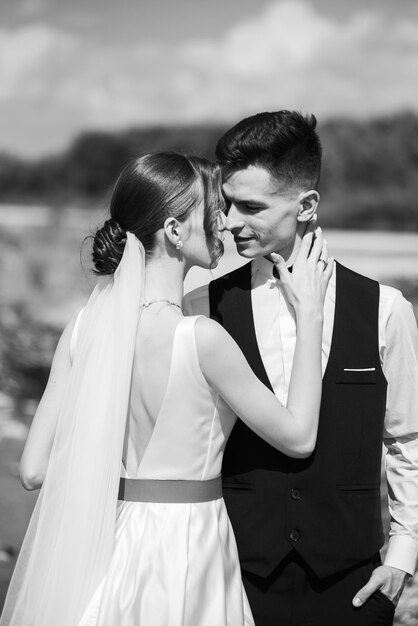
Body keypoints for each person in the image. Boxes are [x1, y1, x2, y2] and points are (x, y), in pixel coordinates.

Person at [0, 152, 332, 626]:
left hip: (108, 542)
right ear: (175, 230)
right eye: (212, 209)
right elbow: (299, 438)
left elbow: (33, 470)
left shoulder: (82, 330)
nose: (224, 222)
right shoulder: (201, 338)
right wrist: (312, 315)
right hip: (187, 546)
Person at [184, 111, 418, 626]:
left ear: (306, 204)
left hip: (353, 586)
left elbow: (407, 439)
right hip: (233, 576)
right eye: (225, 204)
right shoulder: (200, 306)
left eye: (250, 207)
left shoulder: (386, 309)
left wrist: (403, 556)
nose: (228, 221)